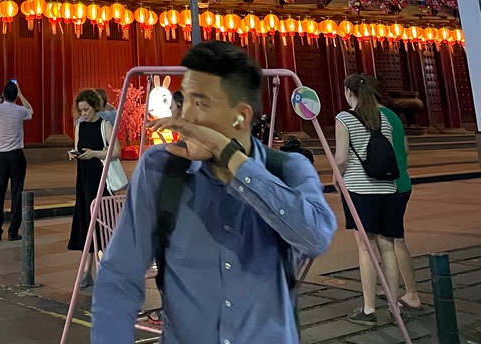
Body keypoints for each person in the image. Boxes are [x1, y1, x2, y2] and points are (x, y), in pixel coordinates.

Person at [92, 42, 336, 343]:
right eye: (185, 101)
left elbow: (315, 238)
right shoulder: (160, 169)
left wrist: (228, 154)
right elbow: (119, 276)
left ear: (240, 117)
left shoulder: (287, 169)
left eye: (201, 104)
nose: (185, 117)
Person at [335, 72, 401, 324]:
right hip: (388, 189)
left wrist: (335, 178)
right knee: (388, 247)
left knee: (366, 248)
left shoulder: (344, 118)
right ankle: (395, 307)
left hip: (360, 190)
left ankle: (369, 309)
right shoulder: (384, 119)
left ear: (348, 92)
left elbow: (341, 158)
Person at [68, 89, 123, 290]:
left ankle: (109, 268)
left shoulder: (104, 124)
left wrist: (95, 154)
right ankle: (86, 270)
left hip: (100, 179)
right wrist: (74, 154)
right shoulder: (79, 126)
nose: (83, 114)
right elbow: (78, 147)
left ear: (95, 107)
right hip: (83, 179)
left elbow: (116, 152)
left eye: (86, 110)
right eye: (81, 110)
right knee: (86, 222)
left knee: (102, 223)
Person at [377, 88, 422, 311]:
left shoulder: (372, 117)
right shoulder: (393, 116)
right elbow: (405, 148)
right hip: (403, 180)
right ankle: (391, 285)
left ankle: (412, 293)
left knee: (395, 241)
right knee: (386, 239)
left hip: (389, 185)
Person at [0, 79, 32, 241]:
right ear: (15, 96)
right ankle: (13, 231)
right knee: (17, 192)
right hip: (16, 156)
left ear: (4, 94)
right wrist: (21, 94)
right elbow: (30, 110)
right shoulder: (20, 111)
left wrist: (1, 97)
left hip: (0, 156)